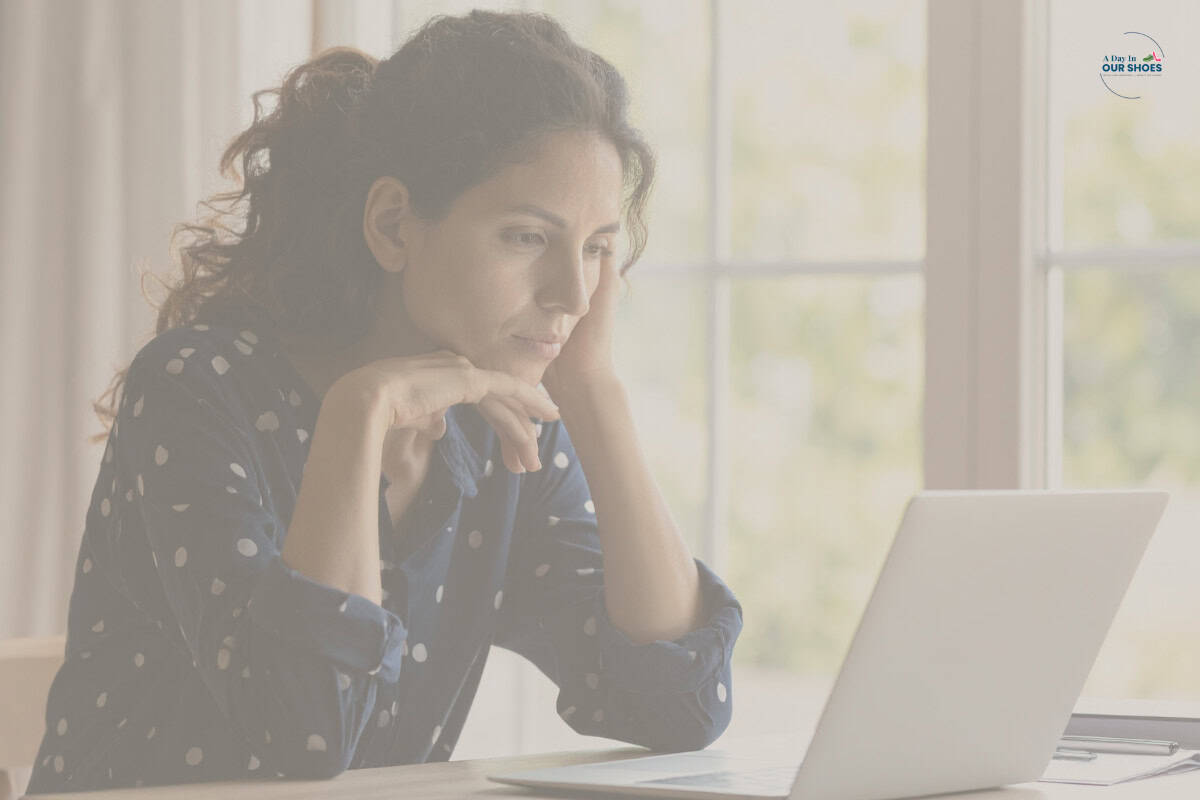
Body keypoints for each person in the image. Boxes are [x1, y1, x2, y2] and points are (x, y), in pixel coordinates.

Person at [25, 9, 743, 793]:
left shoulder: (503, 430)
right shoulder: (197, 390)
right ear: (394, 224)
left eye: (598, 248)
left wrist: (597, 395)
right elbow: (309, 729)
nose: (572, 293)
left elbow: (680, 707)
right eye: (527, 238)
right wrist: (359, 414)